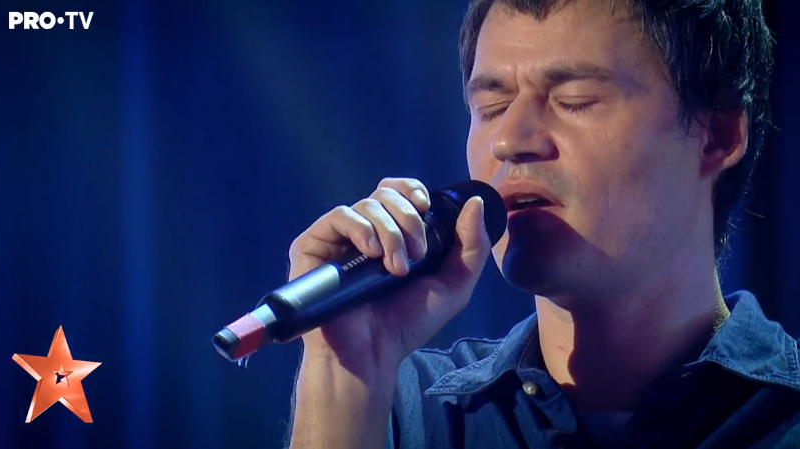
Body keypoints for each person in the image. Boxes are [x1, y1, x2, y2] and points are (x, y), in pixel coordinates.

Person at [283, 0, 799, 448]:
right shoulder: (402, 414)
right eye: (492, 106)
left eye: (574, 100)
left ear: (718, 137)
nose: (509, 140)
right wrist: (340, 372)